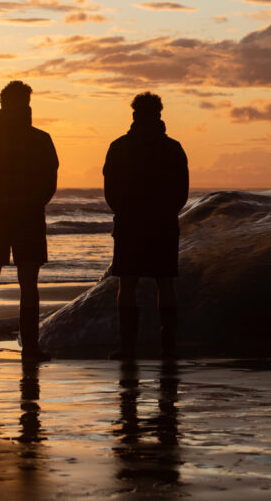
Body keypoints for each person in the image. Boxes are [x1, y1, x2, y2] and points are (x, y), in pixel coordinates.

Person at [0, 80, 58, 363]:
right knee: (24, 282)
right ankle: (28, 349)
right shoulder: (39, 139)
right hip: (24, 216)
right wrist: (31, 203)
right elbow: (49, 182)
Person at [103, 92, 189, 361]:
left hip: (130, 223)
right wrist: (165, 213)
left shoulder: (119, 147)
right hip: (163, 224)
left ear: (134, 115)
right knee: (165, 284)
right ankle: (168, 348)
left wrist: (125, 212)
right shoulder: (173, 148)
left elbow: (110, 191)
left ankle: (128, 347)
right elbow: (181, 192)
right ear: (159, 115)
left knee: (127, 284)